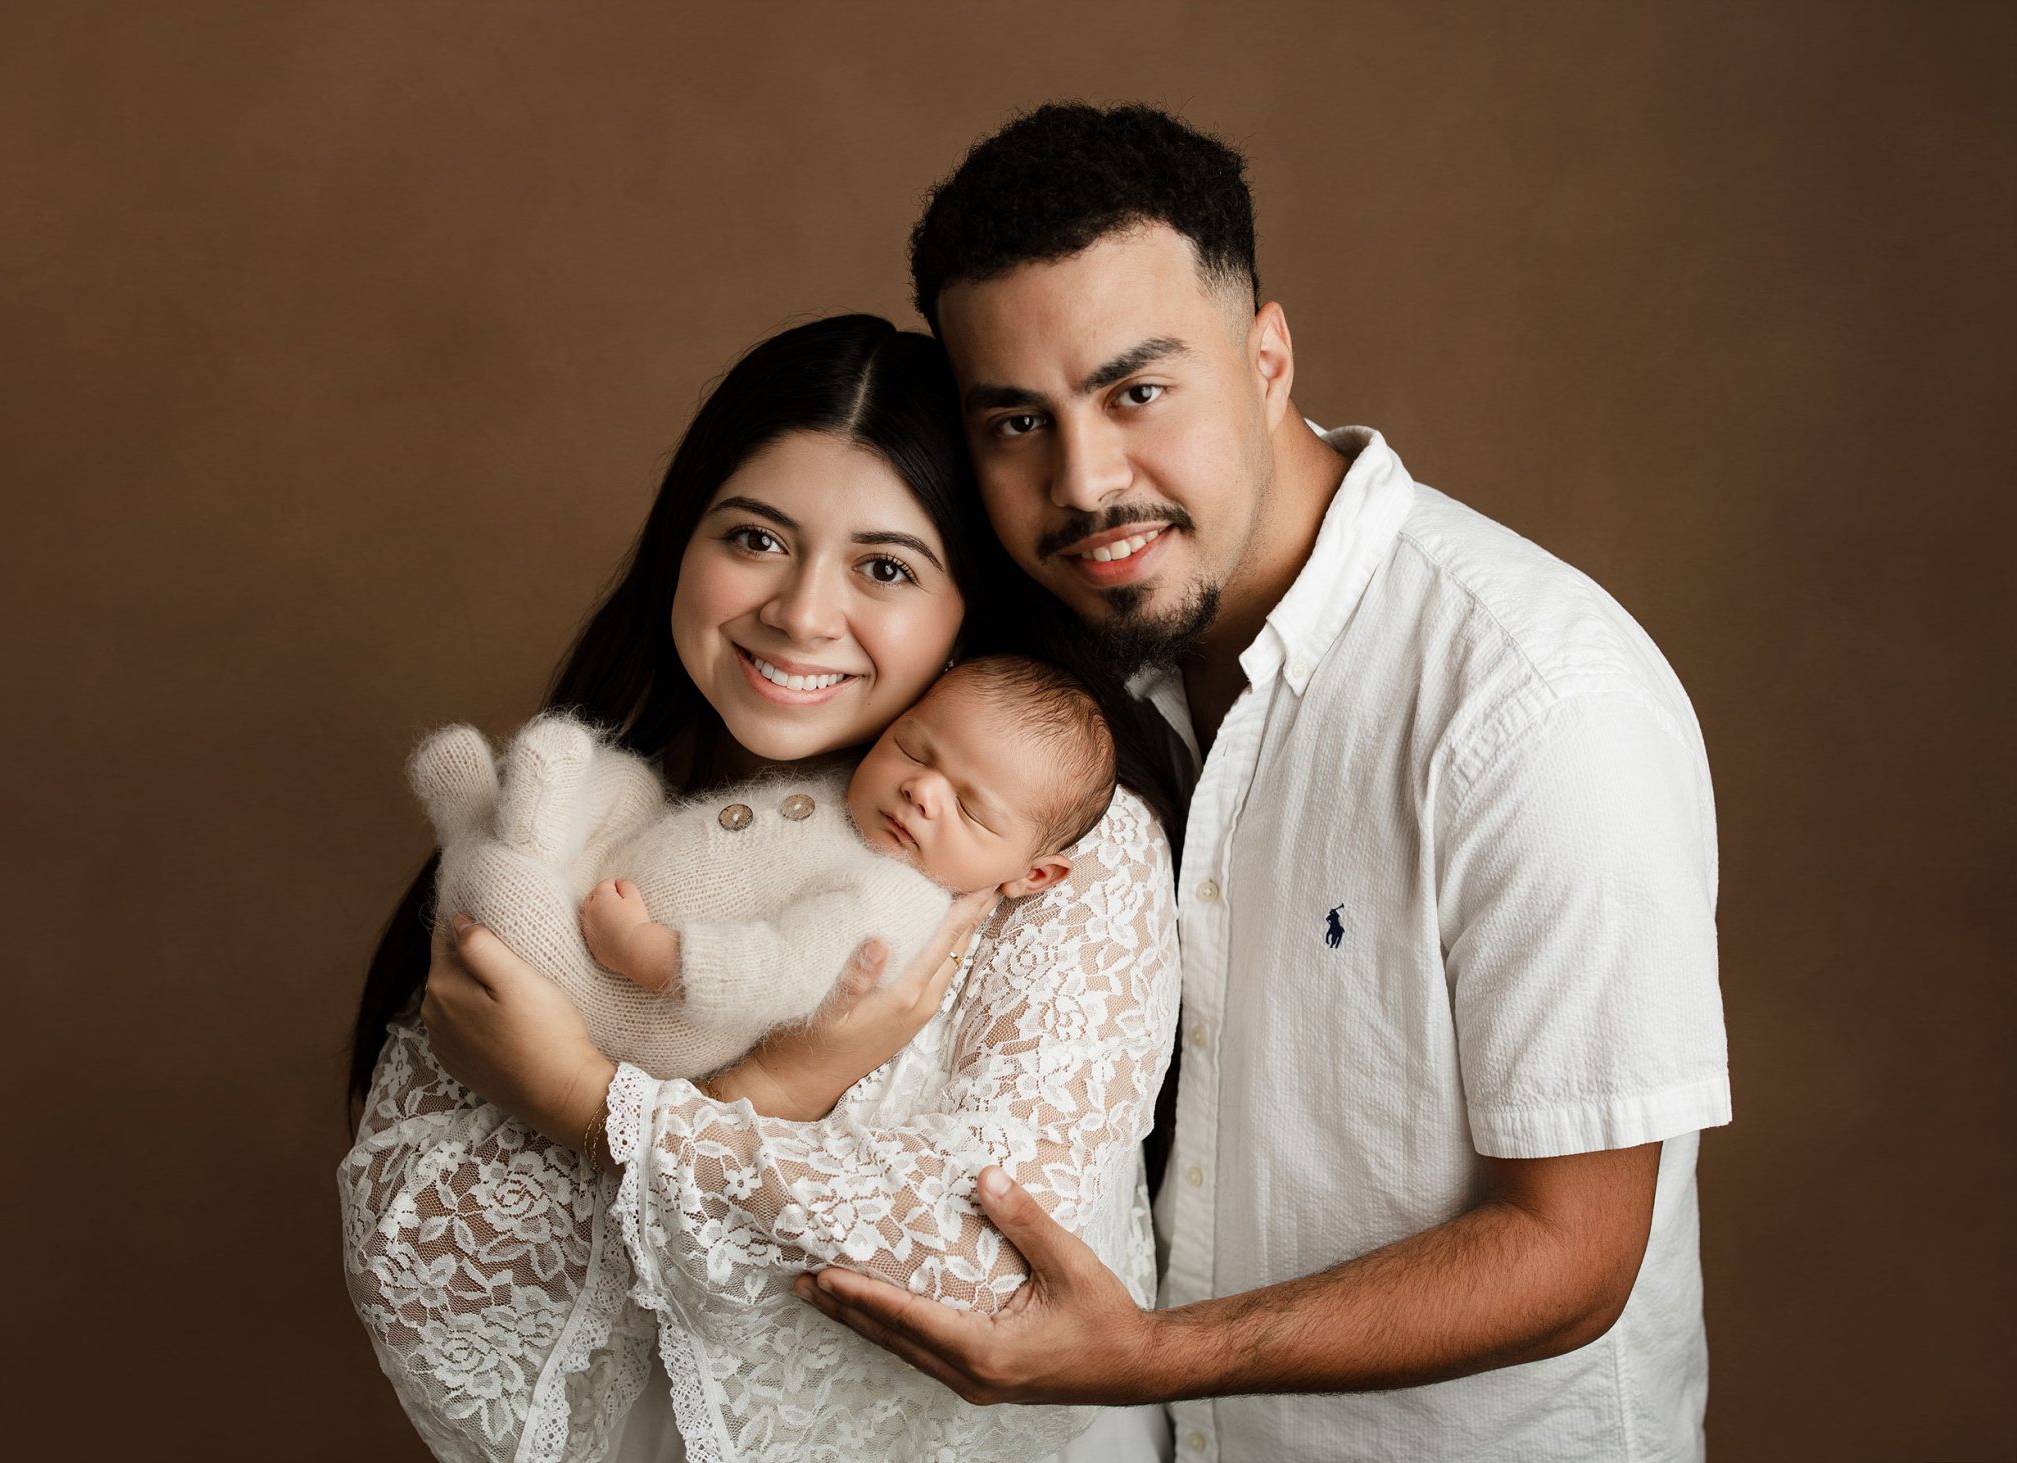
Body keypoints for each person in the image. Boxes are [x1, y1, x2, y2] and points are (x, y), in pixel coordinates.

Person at [790, 104, 1733, 1461]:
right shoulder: (1063, 685)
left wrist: (1139, 1357)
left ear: (1268, 356)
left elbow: (1575, 1250)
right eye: (1017, 420)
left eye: (1137, 390)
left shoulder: (1533, 698)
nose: (1085, 480)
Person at [340, 314, 1181, 1463]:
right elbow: (421, 1237)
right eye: (755, 538)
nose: (797, 612)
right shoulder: (590, 804)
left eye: (884, 567)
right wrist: (771, 1094)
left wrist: (592, 1105)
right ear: (681, 541)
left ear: (966, 608)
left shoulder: (1055, 853)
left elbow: (999, 1266)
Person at [403, 654, 1114, 1081]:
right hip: (625, 882)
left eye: (969, 806)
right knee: (625, 783)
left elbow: (783, 970)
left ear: (1033, 874)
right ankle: (529, 826)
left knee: (503, 899)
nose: (921, 791)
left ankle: (477, 824)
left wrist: (644, 951)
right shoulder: (855, 792)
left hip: (630, 999)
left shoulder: (892, 898)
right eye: (915, 749)